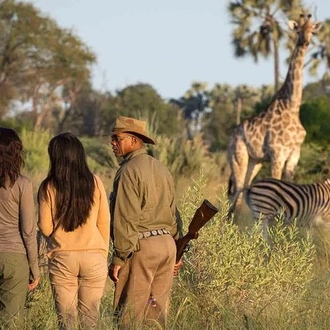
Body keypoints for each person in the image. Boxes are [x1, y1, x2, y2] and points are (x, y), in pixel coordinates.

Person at [108, 116, 183, 329]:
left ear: (134, 140)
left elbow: (125, 218)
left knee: (128, 315)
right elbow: (174, 213)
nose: (112, 143)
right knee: (156, 315)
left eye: (117, 138)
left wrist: (119, 257)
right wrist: (177, 249)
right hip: (167, 246)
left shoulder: (128, 171)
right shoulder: (162, 168)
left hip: (142, 248)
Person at [37, 132, 110, 330]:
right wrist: (101, 251)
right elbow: (104, 222)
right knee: (90, 320)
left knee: (66, 320)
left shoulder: (48, 186)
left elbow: (45, 227)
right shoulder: (95, 182)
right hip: (94, 257)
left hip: (63, 258)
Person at [0, 127, 40, 328]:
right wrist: (35, 267)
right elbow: (28, 231)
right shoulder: (22, 184)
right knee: (12, 320)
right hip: (14, 258)